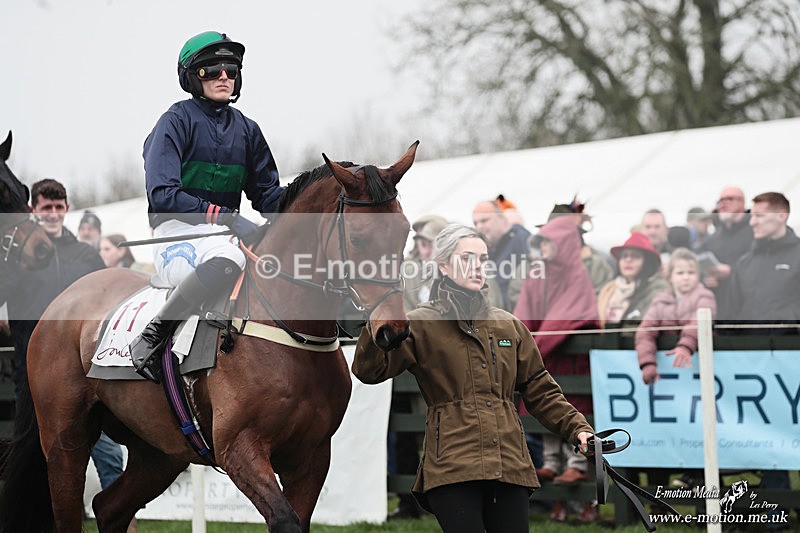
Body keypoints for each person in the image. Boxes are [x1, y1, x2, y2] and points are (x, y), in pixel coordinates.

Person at [353, 224, 594, 533]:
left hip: (511, 464)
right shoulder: (419, 323)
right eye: (467, 258)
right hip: (452, 466)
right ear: (442, 265)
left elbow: (541, 391)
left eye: (482, 259)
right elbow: (368, 371)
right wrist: (376, 319)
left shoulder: (509, 326)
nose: (477, 267)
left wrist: (579, 431)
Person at [131, 30, 285, 382]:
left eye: (230, 71)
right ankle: (153, 336)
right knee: (230, 259)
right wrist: (228, 218)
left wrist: (321, 191)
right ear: (192, 76)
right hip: (175, 234)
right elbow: (162, 194)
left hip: (223, 237)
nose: (224, 78)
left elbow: (269, 198)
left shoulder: (248, 130)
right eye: (212, 71)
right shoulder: (174, 122)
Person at [513, 215, 600, 522]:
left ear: (563, 244)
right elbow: (525, 312)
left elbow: (569, 315)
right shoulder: (538, 275)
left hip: (569, 363)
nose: (544, 247)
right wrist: (519, 338)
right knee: (547, 414)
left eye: (549, 241)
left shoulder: (578, 276)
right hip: (547, 359)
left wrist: (529, 348)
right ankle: (557, 498)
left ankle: (582, 486)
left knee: (573, 418)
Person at [725, 191, 798, 527]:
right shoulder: (745, 262)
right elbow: (736, 314)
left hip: (793, 363)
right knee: (768, 439)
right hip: (755, 370)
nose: (751, 221)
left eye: (759, 216)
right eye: (751, 216)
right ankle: (776, 509)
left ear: (781, 215)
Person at [635, 248, 717, 385]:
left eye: (691, 272)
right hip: (669, 369)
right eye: (680, 273)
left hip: (699, 366)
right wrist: (648, 363)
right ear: (670, 277)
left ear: (698, 275)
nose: (686, 277)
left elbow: (697, 324)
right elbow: (645, 331)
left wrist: (685, 347)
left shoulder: (705, 296)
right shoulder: (660, 300)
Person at [597, 231, 669, 327]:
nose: (628, 260)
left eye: (635, 256)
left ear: (647, 262)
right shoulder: (609, 289)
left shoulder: (658, 290)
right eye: (624, 256)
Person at [700, 187, 754, 316]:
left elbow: (761, 264)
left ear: (742, 202)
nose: (724, 203)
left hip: (747, 306)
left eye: (730, 199)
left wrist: (732, 271)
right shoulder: (713, 239)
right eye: (721, 200)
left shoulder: (755, 232)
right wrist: (707, 279)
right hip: (721, 307)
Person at [472, 199, 531, 311]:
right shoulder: (488, 249)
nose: (479, 226)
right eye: (475, 223)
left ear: (501, 218)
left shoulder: (521, 239)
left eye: (484, 220)